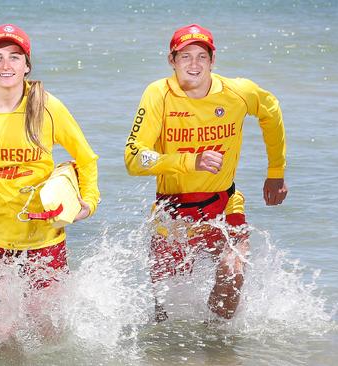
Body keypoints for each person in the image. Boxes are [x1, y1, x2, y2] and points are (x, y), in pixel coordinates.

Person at [0, 24, 100, 340]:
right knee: (0, 328)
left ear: (27, 65)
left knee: (45, 322)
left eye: (15, 57)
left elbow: (86, 157)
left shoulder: (47, 106)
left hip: (42, 232)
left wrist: (89, 201)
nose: (6, 66)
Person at [124, 24, 287, 321]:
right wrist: (190, 162)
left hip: (223, 203)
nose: (194, 64)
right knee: (164, 313)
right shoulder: (158, 94)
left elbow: (271, 111)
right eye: (185, 56)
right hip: (172, 211)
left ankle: (218, 348)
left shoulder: (238, 92)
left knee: (232, 273)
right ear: (171, 60)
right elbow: (134, 157)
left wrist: (276, 170)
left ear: (213, 60)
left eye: (202, 56)